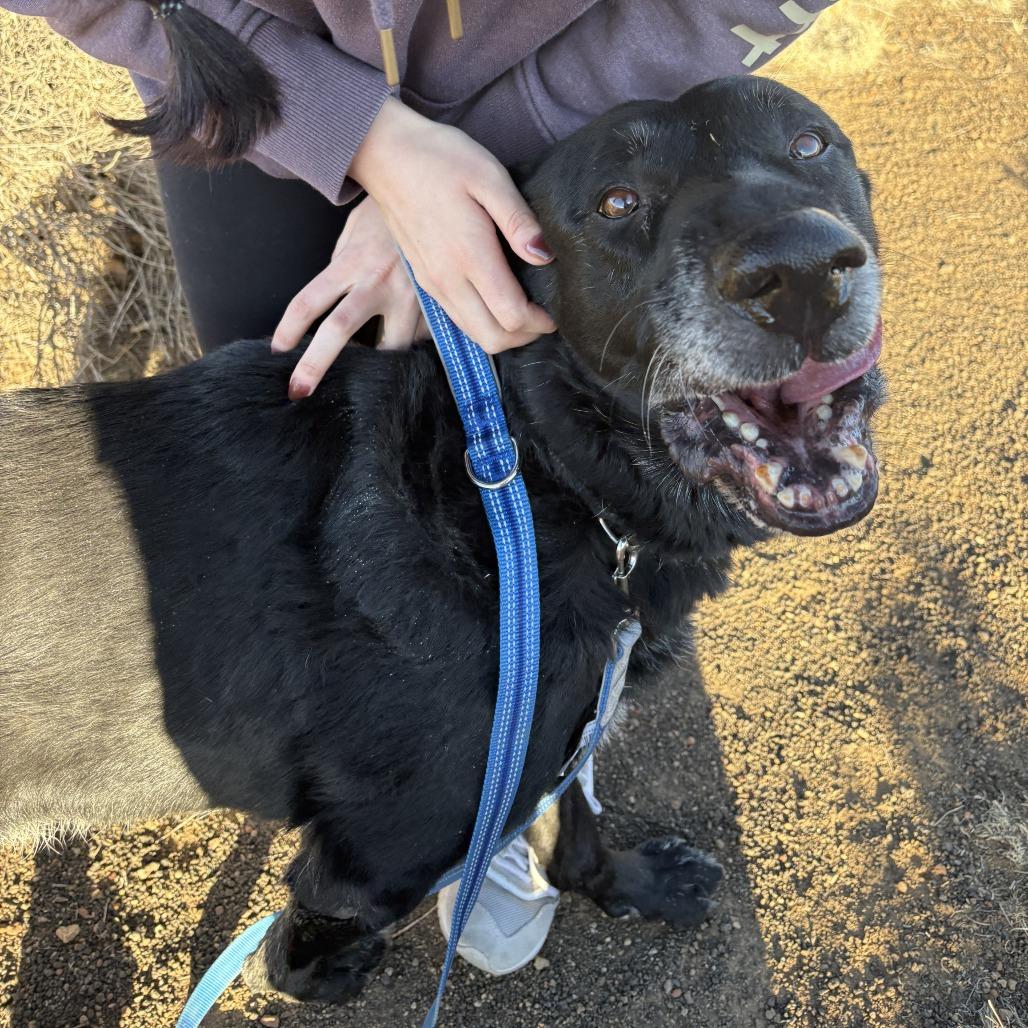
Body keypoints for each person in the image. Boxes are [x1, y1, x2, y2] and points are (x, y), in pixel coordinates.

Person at [1, 0, 835, 975]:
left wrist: (454, 177)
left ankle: (516, 803)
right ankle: (458, 809)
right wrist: (359, 137)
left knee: (579, 553)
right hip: (241, 59)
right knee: (295, 464)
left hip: (578, 92)